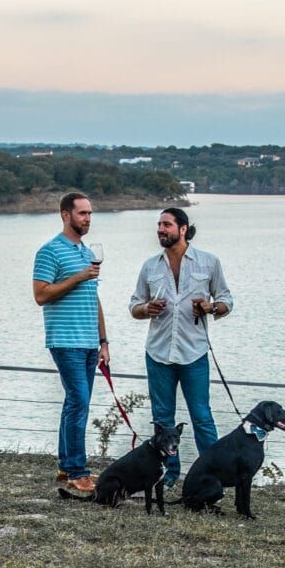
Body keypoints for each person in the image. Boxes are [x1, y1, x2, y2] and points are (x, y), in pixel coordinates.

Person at [128, 207, 234, 487]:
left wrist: (211, 307)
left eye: (166, 225)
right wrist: (146, 308)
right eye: (159, 225)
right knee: (162, 420)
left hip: (194, 353)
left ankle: (212, 476)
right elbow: (134, 306)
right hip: (158, 353)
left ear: (183, 229)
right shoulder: (150, 266)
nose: (161, 230)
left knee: (201, 417)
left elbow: (226, 300)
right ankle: (168, 474)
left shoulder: (208, 262)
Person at [32, 192, 110, 494]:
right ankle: (79, 471)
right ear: (66, 215)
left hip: (89, 342)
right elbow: (41, 295)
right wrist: (78, 277)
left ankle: (66, 466)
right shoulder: (49, 251)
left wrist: (103, 340)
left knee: (75, 403)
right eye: (82, 213)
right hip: (65, 340)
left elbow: (94, 299)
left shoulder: (86, 252)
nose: (88, 218)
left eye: (90, 213)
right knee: (79, 402)